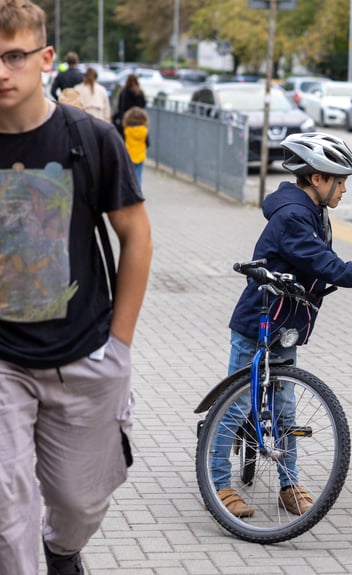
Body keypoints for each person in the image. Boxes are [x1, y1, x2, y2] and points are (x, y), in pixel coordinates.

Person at [0, 1, 154, 573]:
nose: (1, 71)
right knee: (5, 513)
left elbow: (136, 236)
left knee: (78, 505)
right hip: (3, 361)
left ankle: (62, 552)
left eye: (14, 56)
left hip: (85, 353)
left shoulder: (90, 138)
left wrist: (120, 345)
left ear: (44, 59)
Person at [210, 132, 352, 518]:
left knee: (284, 410)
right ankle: (218, 483)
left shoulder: (315, 213)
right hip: (259, 323)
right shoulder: (293, 217)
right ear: (317, 179)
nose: (345, 188)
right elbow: (328, 266)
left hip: (287, 325)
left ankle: (288, 482)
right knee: (234, 407)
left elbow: (324, 263)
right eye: (341, 179)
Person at [122, 106, 149, 187]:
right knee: (138, 176)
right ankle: (138, 192)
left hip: (128, 155)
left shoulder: (126, 131)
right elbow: (148, 143)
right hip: (140, 156)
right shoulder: (144, 131)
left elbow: (122, 141)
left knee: (129, 176)